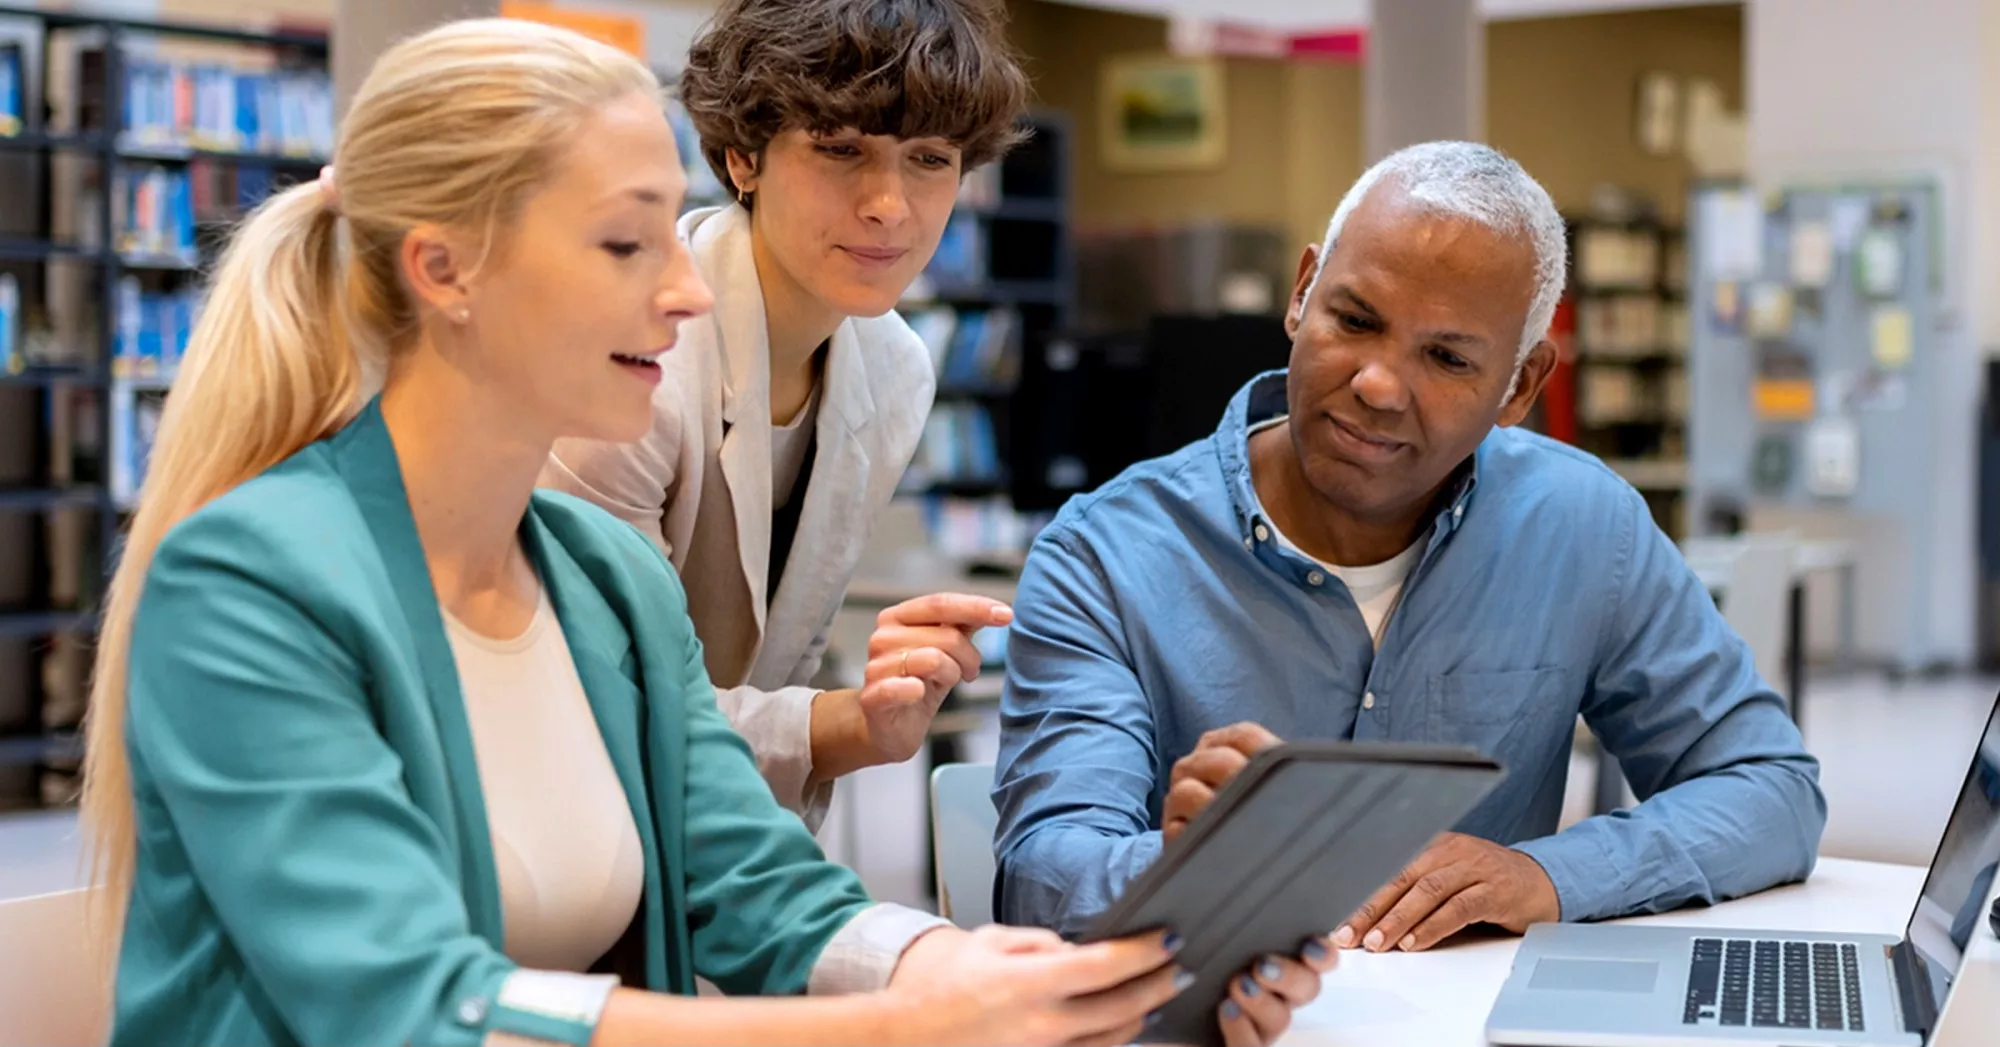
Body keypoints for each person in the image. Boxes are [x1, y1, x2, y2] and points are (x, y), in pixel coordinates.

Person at [77, 20, 1336, 1047]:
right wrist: (910, 1022)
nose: (684, 290)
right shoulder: (248, 586)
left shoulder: (604, 581)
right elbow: (401, 1004)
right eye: (626, 242)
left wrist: (1024, 976)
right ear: (444, 272)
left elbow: (751, 886)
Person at [991, 141, 1827, 950]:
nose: (1380, 384)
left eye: (1446, 357)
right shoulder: (1104, 556)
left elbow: (1770, 789)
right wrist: (1202, 860)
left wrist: (1546, 876)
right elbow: (1041, 876)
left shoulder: (1583, 525)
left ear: (1522, 386)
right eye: (1354, 320)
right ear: (1302, 292)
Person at [539, 0, 1016, 827]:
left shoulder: (895, 369)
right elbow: (599, 698)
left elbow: (774, 667)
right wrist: (842, 726)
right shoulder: (635, 349)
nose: (889, 204)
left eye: (930, 159)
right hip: (546, 831)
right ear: (742, 157)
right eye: (840, 149)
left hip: (711, 836)